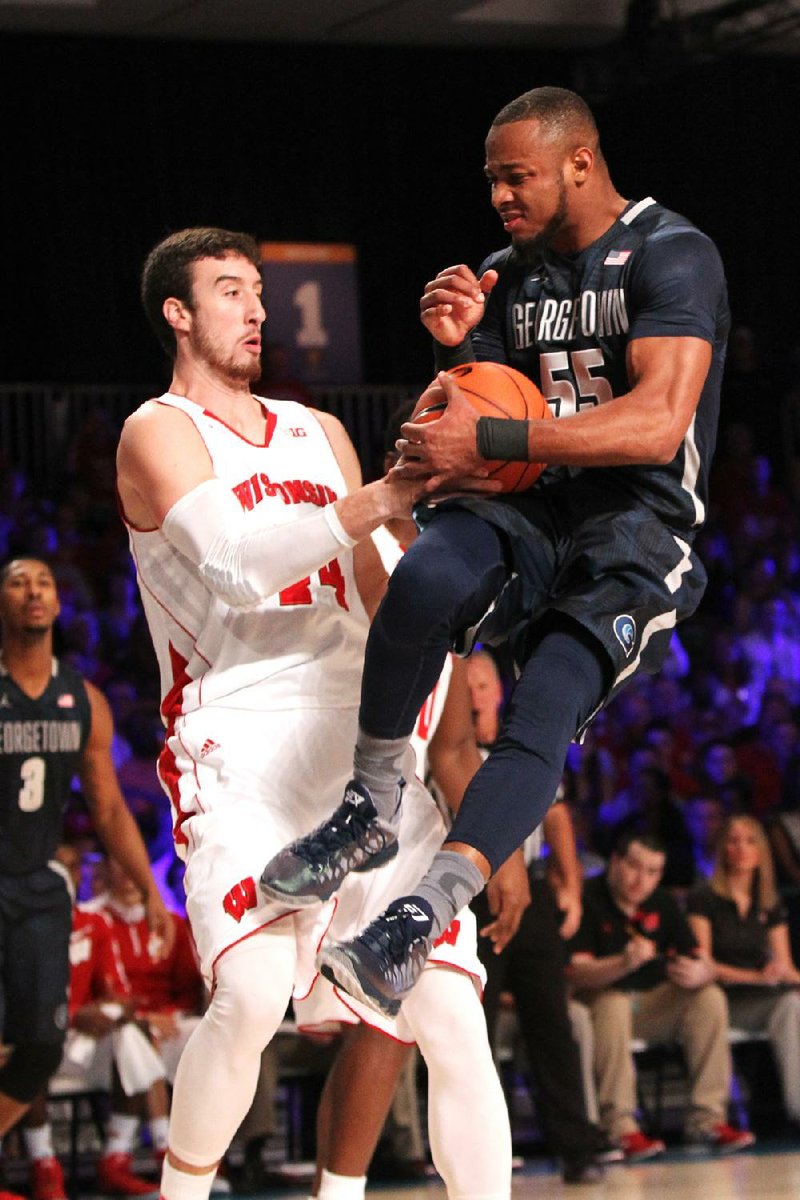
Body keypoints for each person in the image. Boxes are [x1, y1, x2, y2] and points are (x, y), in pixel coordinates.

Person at [260, 84, 731, 1019]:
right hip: (534, 508)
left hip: (639, 524)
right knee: (425, 573)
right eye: (492, 182)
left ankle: (422, 915)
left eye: (517, 178)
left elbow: (655, 421)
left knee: (543, 707)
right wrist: (454, 352)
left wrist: (495, 444)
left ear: (580, 164)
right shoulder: (502, 274)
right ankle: (370, 804)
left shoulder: (673, 254)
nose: (500, 199)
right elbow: (469, 417)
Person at [115, 226, 507, 1200]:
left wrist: (474, 546)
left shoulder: (314, 432)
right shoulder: (157, 431)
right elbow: (240, 566)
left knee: (451, 1019)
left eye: (258, 290)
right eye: (230, 291)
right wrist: (381, 496)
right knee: (248, 997)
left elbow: (385, 600)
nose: (255, 309)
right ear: (177, 311)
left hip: (359, 745)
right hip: (239, 737)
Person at [301, 403, 519, 1199]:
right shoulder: (355, 538)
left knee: (449, 1026)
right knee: (376, 1030)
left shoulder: (460, 560)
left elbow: (456, 744)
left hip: (422, 826)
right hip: (337, 807)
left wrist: (503, 850)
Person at [0, 557, 172, 1200]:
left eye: (45, 580)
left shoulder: (82, 699)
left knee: (42, 1044)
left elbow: (106, 808)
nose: (34, 590)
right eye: (17, 581)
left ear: (59, 602)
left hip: (40, 889)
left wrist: (152, 892)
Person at [464, 650, 620, 1184]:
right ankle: (483, 1149)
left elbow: (556, 814)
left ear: (499, 693)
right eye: (468, 685)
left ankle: (576, 1144)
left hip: (529, 892)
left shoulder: (521, 744)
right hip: (467, 897)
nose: (476, 694)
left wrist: (571, 887)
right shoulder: (446, 751)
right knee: (474, 1028)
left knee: (551, 1021)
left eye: (484, 685)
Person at [567, 832, 754, 1158]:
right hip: (598, 1004)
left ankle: (707, 1119)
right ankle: (620, 1126)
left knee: (708, 998)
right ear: (615, 862)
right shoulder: (586, 897)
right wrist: (623, 963)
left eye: (652, 872)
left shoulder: (663, 903)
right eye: (634, 867)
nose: (641, 880)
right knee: (613, 1004)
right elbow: (574, 973)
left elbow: (699, 959)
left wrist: (701, 972)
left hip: (650, 1006)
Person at [24, 843, 168, 1200]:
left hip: (80, 1044)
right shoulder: (21, 924)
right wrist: (72, 1017)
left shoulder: (94, 924)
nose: (65, 875)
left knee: (131, 1036)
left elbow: (121, 995)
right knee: (35, 1040)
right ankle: (43, 1166)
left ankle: (116, 1160)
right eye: (57, 866)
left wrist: (110, 1014)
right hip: (39, 1037)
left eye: (73, 868)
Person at [687, 814, 800, 1128]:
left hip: (764, 998)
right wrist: (756, 977)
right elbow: (704, 964)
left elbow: (786, 967)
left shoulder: (769, 903)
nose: (741, 848)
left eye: (750, 841)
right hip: (720, 1000)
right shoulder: (704, 898)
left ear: (761, 851)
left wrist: (782, 975)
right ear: (722, 848)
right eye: (734, 841)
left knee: (793, 1004)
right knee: (790, 1007)